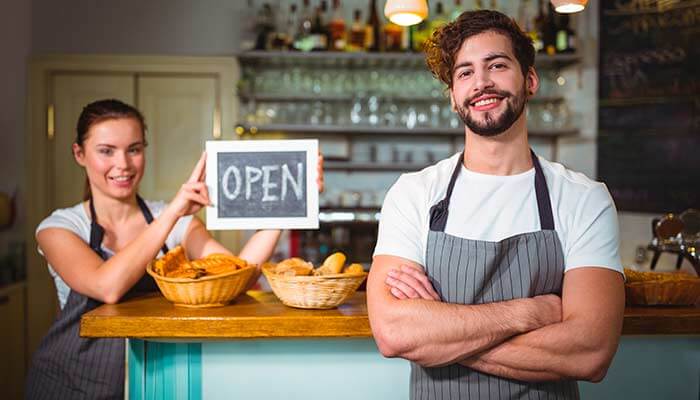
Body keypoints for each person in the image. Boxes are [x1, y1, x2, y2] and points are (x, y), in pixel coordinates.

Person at [367, 10, 624, 399]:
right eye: (465, 73)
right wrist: (529, 313)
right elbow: (394, 334)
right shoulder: (414, 193)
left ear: (530, 79)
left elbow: (590, 351)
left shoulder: (584, 199)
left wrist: (441, 338)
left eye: (498, 65)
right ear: (454, 97)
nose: (481, 82)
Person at [25, 99, 324, 399]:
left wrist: (293, 200)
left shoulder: (178, 222)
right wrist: (172, 213)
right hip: (69, 384)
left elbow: (237, 276)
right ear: (80, 154)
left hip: (154, 382)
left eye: (134, 149)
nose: (123, 164)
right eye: (106, 151)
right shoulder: (60, 227)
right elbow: (107, 287)